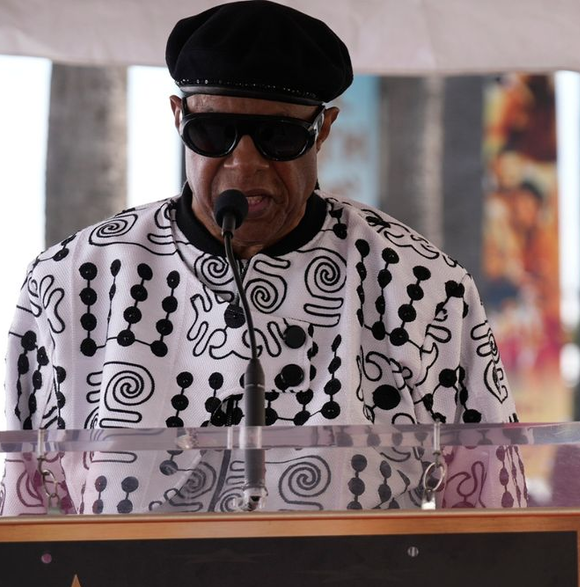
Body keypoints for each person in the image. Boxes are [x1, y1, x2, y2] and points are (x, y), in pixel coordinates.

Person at [3, 0, 523, 513]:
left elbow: (494, 512)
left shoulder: (424, 284)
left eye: (278, 136)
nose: (244, 164)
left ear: (323, 129)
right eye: (213, 133)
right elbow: (24, 514)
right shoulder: (73, 281)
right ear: (178, 118)